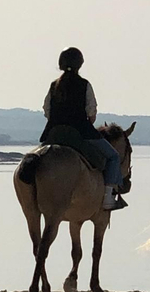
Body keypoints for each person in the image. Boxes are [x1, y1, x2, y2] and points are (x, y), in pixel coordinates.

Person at [40, 47, 126, 211]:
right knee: (113, 157)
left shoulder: (53, 86)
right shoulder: (84, 85)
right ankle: (108, 197)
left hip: (54, 133)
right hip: (81, 132)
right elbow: (91, 113)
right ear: (80, 64)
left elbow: (47, 111)